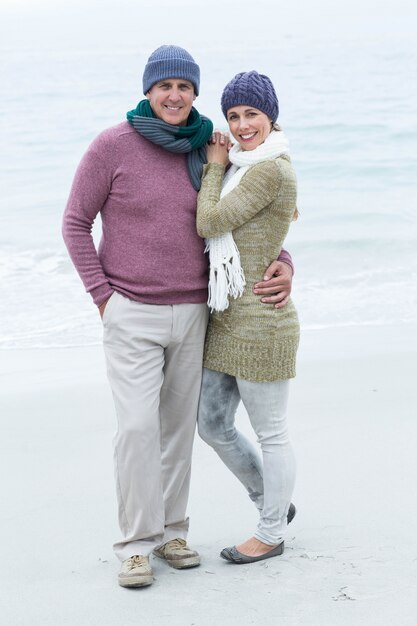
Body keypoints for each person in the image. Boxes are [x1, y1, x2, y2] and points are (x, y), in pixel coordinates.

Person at [62, 46, 294, 588]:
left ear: (195, 93)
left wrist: (284, 262)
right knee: (138, 430)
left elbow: (254, 219)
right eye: (163, 86)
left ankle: (172, 531)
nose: (174, 96)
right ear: (147, 91)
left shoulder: (210, 146)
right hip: (130, 310)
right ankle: (136, 546)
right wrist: (102, 297)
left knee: (176, 432)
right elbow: (75, 222)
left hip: (196, 311)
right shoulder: (111, 145)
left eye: (184, 87)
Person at [197, 70, 300, 564]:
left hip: (262, 318)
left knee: (271, 432)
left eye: (251, 114)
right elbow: (261, 239)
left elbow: (210, 222)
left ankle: (271, 531)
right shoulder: (247, 164)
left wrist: (213, 166)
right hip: (227, 317)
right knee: (212, 423)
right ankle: (273, 503)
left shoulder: (267, 169)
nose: (241, 125)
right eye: (233, 115)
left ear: (270, 116)